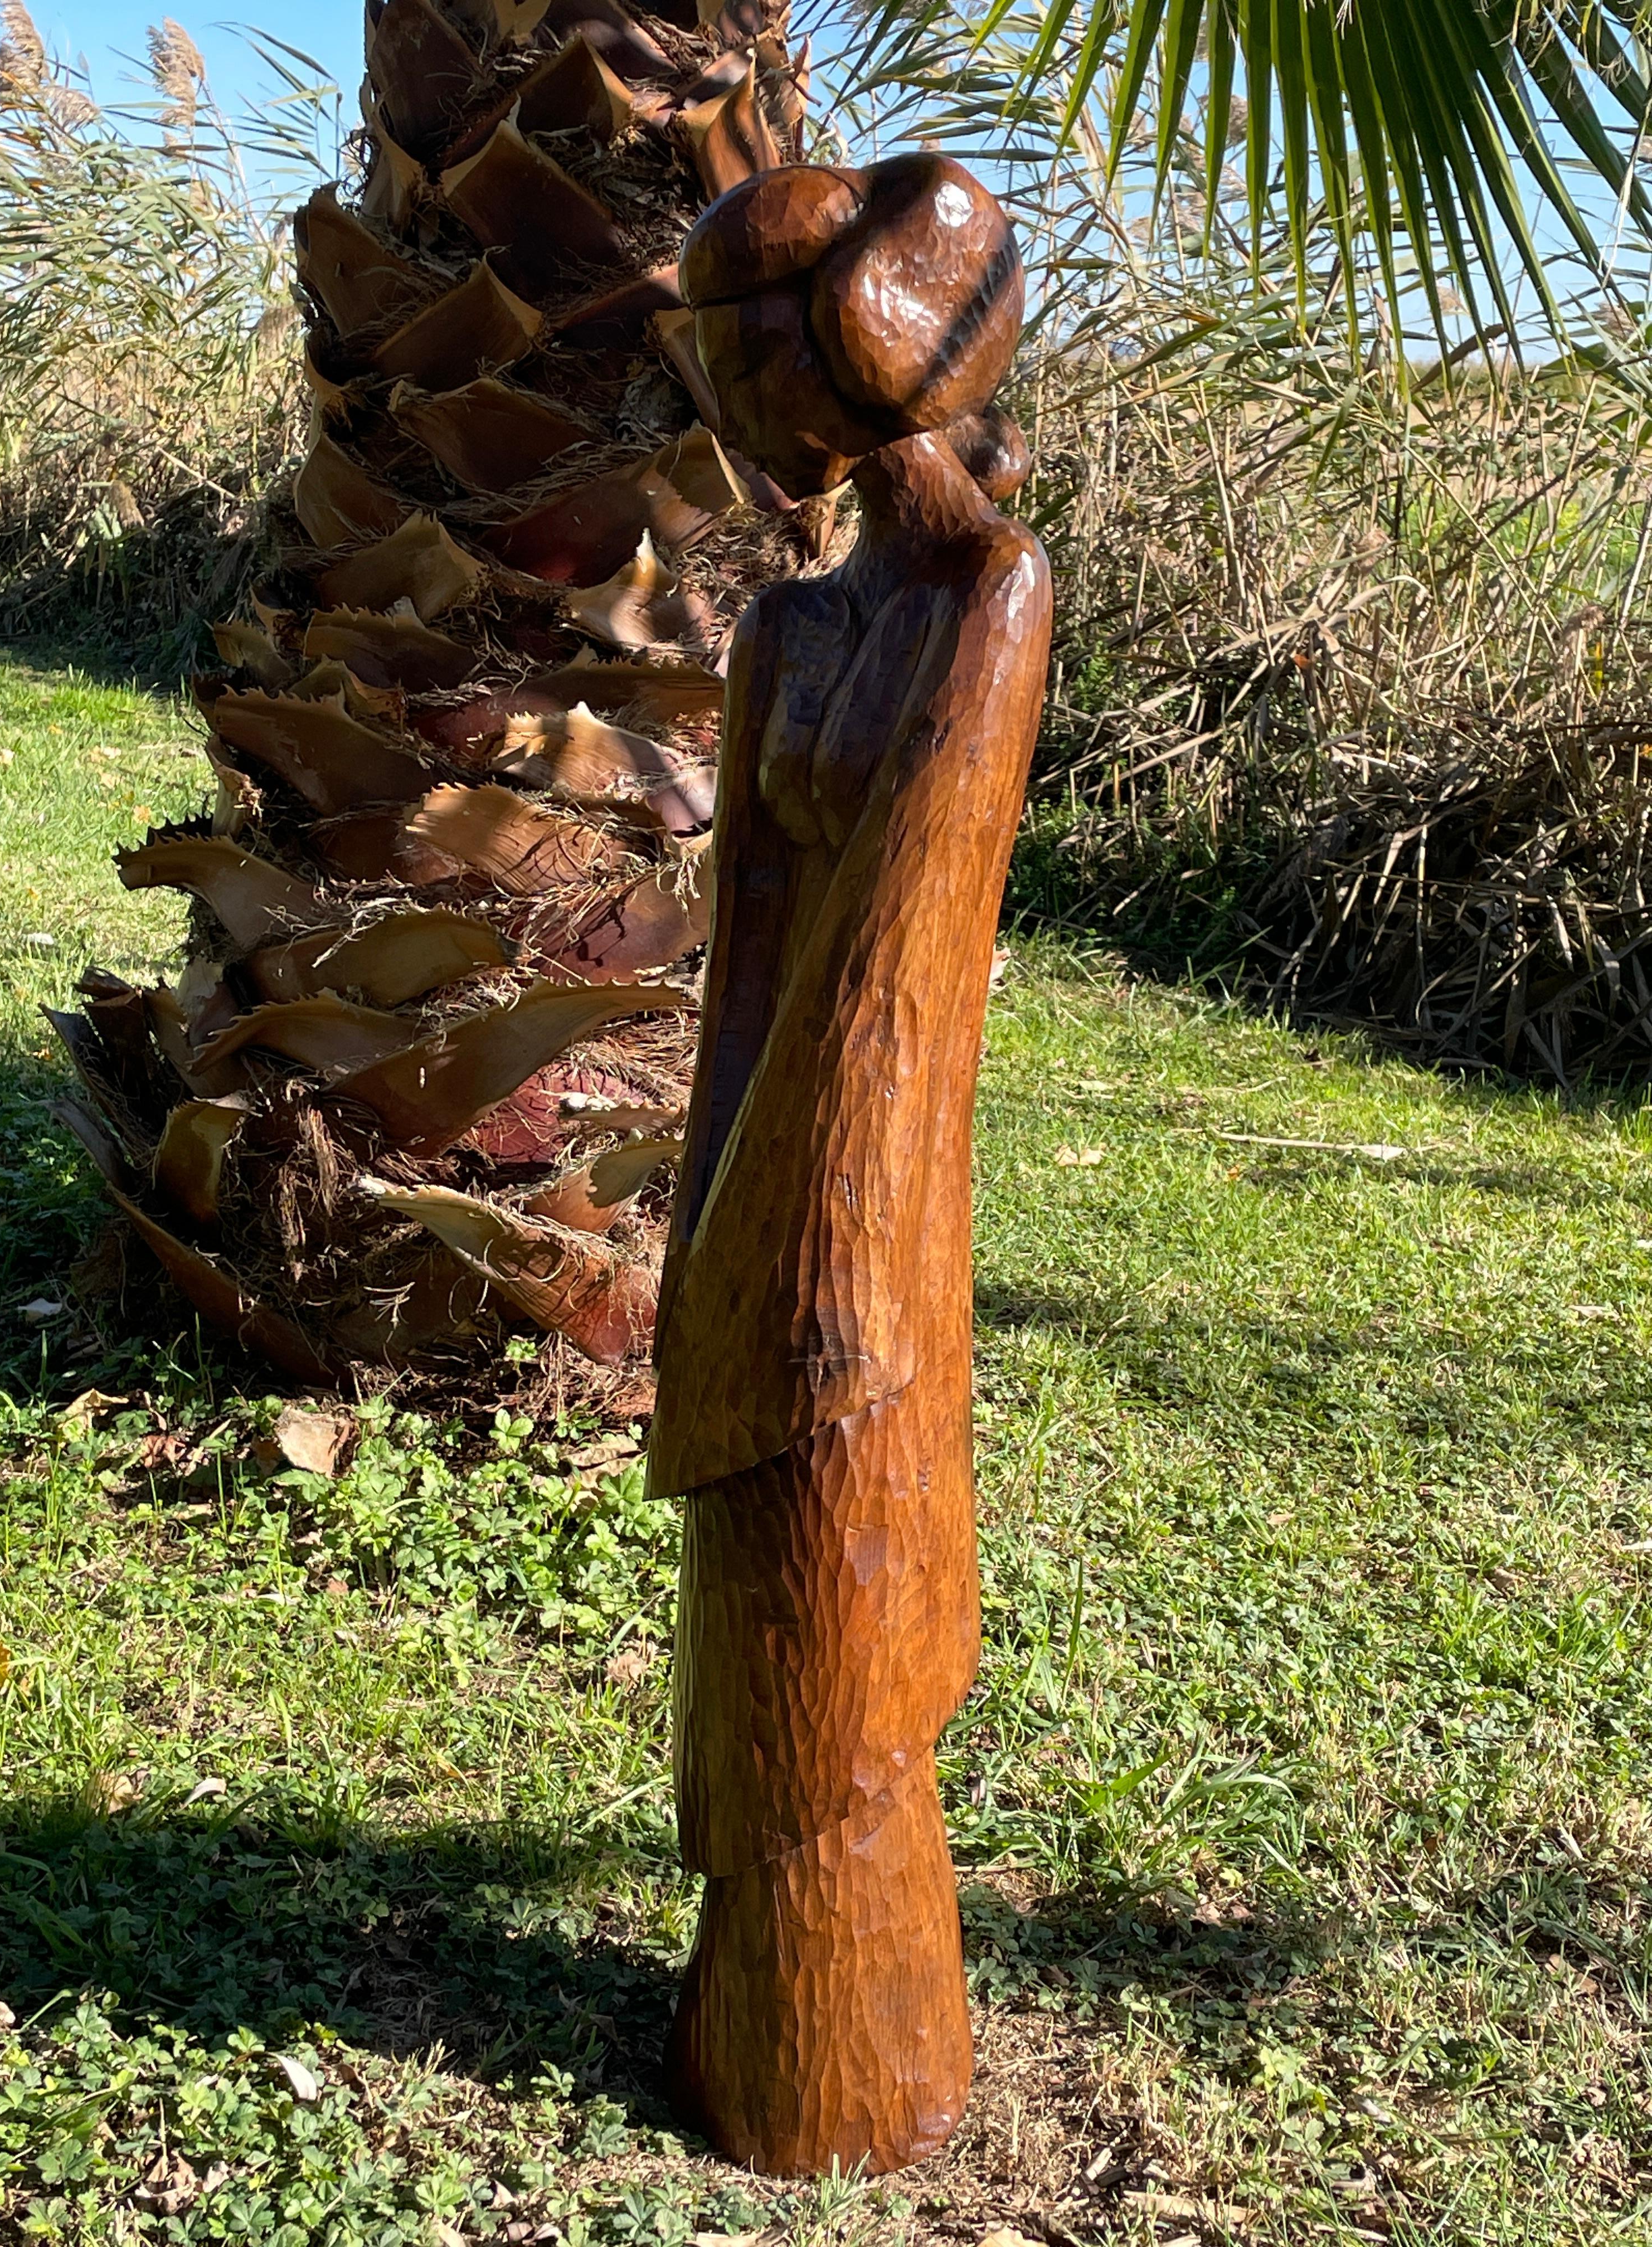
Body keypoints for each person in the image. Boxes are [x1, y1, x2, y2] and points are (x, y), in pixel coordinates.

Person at [646, 153, 1054, 2176]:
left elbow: (901, 976)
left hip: (864, 1233)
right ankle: (759, 2036)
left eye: (734, 376)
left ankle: (846, 2074)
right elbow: (749, 974)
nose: (719, 427)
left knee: (843, 1637)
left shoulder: (991, 606)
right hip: (762, 1197)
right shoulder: (791, 635)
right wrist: (694, 1259)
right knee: (760, 1633)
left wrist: (790, 1282)